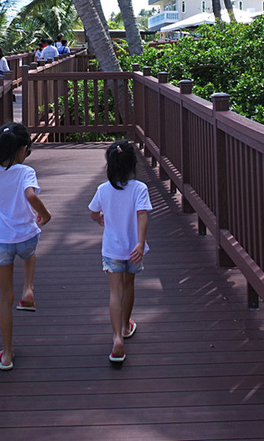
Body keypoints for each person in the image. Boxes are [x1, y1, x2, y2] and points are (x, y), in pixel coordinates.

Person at [0, 122, 51, 371]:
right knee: (29, 253)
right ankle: (29, 288)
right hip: (26, 237)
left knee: (4, 298)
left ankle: (7, 353)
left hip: (1, 241)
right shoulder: (26, 172)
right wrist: (45, 214)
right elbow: (31, 195)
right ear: (23, 149)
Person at [88, 140, 151, 364]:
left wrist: (101, 219)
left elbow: (93, 213)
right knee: (129, 285)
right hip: (133, 249)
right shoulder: (139, 189)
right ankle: (126, 326)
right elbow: (142, 215)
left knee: (115, 292)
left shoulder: (103, 190)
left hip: (112, 250)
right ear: (132, 164)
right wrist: (140, 243)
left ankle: (116, 338)